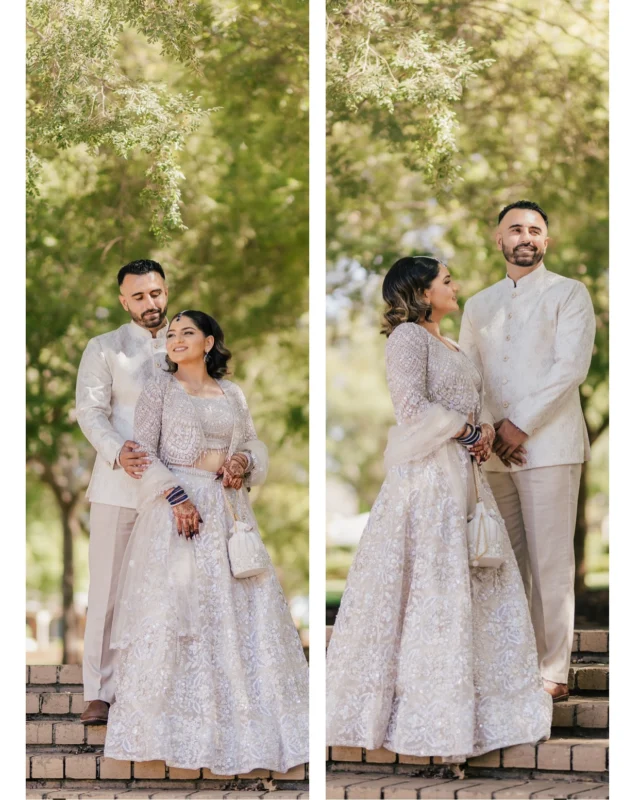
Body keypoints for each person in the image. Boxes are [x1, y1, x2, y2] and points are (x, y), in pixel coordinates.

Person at [326, 256, 551, 761]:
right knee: (433, 584)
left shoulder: (449, 342)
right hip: (429, 480)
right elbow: (409, 407)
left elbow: (468, 404)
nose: (455, 285)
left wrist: (484, 428)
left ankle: (484, 707)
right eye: (446, 280)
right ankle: (424, 715)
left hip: (464, 475)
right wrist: (466, 430)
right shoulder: (407, 338)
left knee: (474, 580)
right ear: (423, 293)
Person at [103, 310, 309, 775]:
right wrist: (176, 496)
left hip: (228, 507)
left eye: (186, 332)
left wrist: (242, 461)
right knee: (183, 611)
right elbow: (144, 450)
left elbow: (256, 443)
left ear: (210, 342)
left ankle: (248, 728)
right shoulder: (159, 389)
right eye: (171, 334)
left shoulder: (232, 393)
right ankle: (172, 733)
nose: (175, 339)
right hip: (178, 511)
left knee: (236, 613)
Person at [459, 200, 596, 702]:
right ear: (498, 240)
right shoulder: (477, 305)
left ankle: (552, 672)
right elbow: (469, 378)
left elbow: (570, 367)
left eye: (535, 230)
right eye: (515, 228)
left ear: (546, 241)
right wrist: (488, 433)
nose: (526, 236)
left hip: (552, 446)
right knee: (504, 563)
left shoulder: (569, 294)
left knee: (551, 563)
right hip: (494, 451)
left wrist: (519, 425)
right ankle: (509, 663)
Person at [75, 259, 170, 724]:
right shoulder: (104, 348)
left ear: (165, 291)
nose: (149, 303)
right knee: (108, 591)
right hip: (117, 485)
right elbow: (90, 412)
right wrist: (117, 451)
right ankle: (99, 691)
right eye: (138, 296)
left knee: (167, 590)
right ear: (123, 300)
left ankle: (153, 685)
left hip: (175, 488)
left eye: (155, 293)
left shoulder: (187, 341)